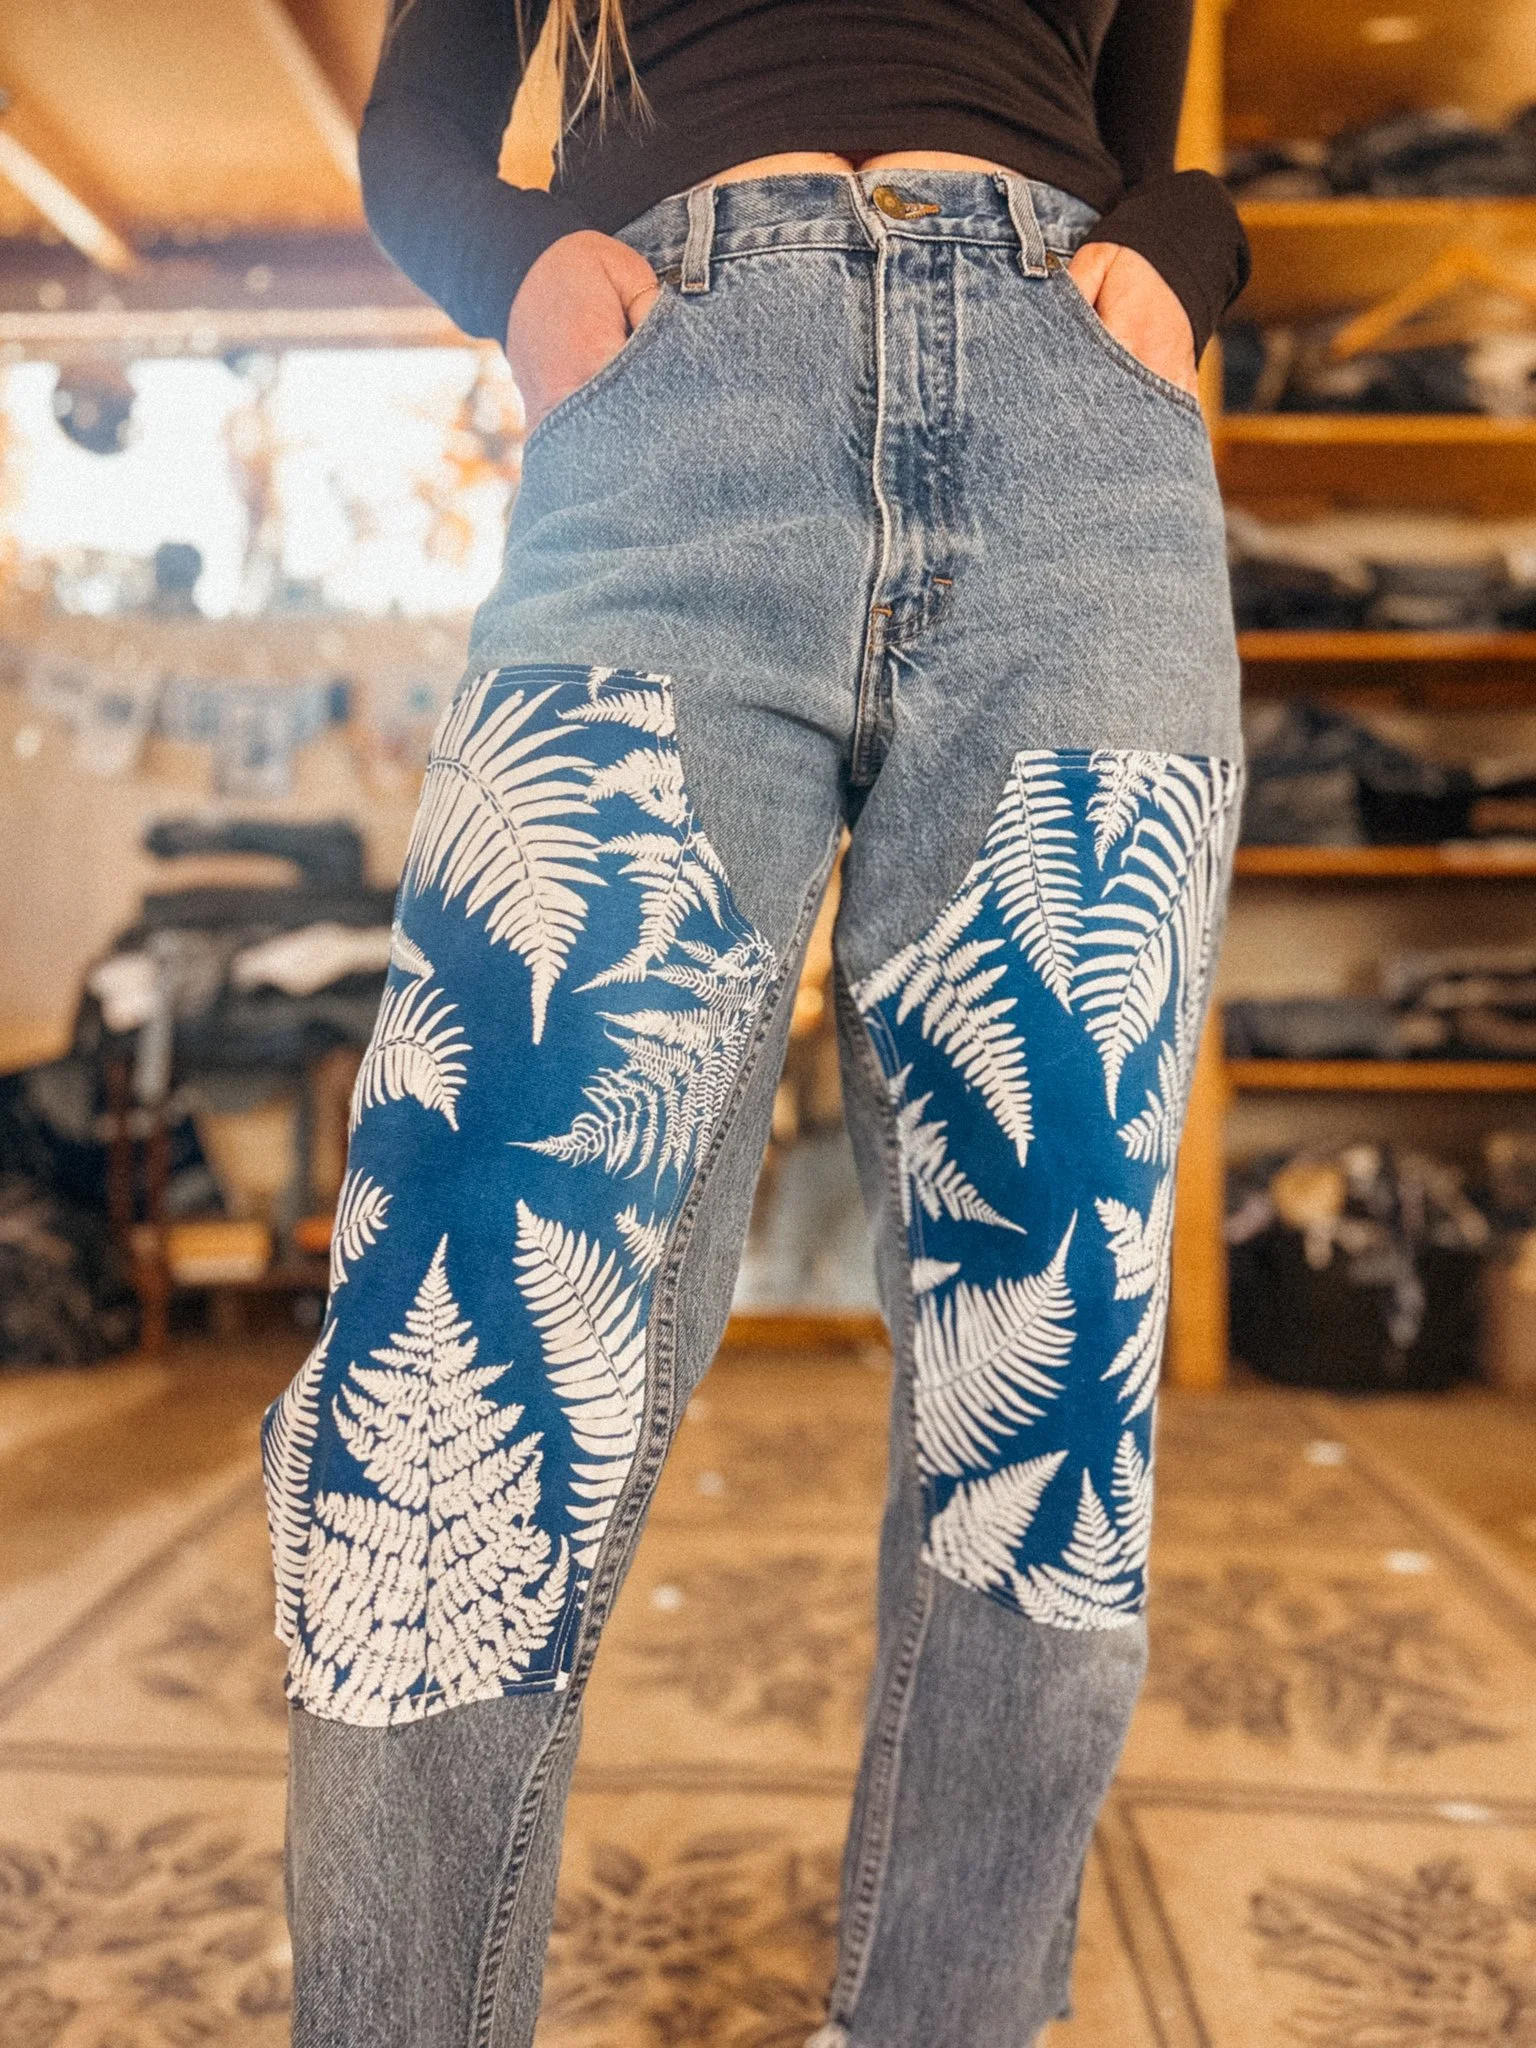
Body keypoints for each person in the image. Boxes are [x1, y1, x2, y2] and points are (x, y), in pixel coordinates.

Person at [263, 4, 1249, 2042]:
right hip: (676, 421)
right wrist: (525, 275)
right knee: (450, 1367)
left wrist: (1186, 256)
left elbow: (1136, 135)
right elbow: (421, 124)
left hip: (1082, 471)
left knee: (1048, 1400)